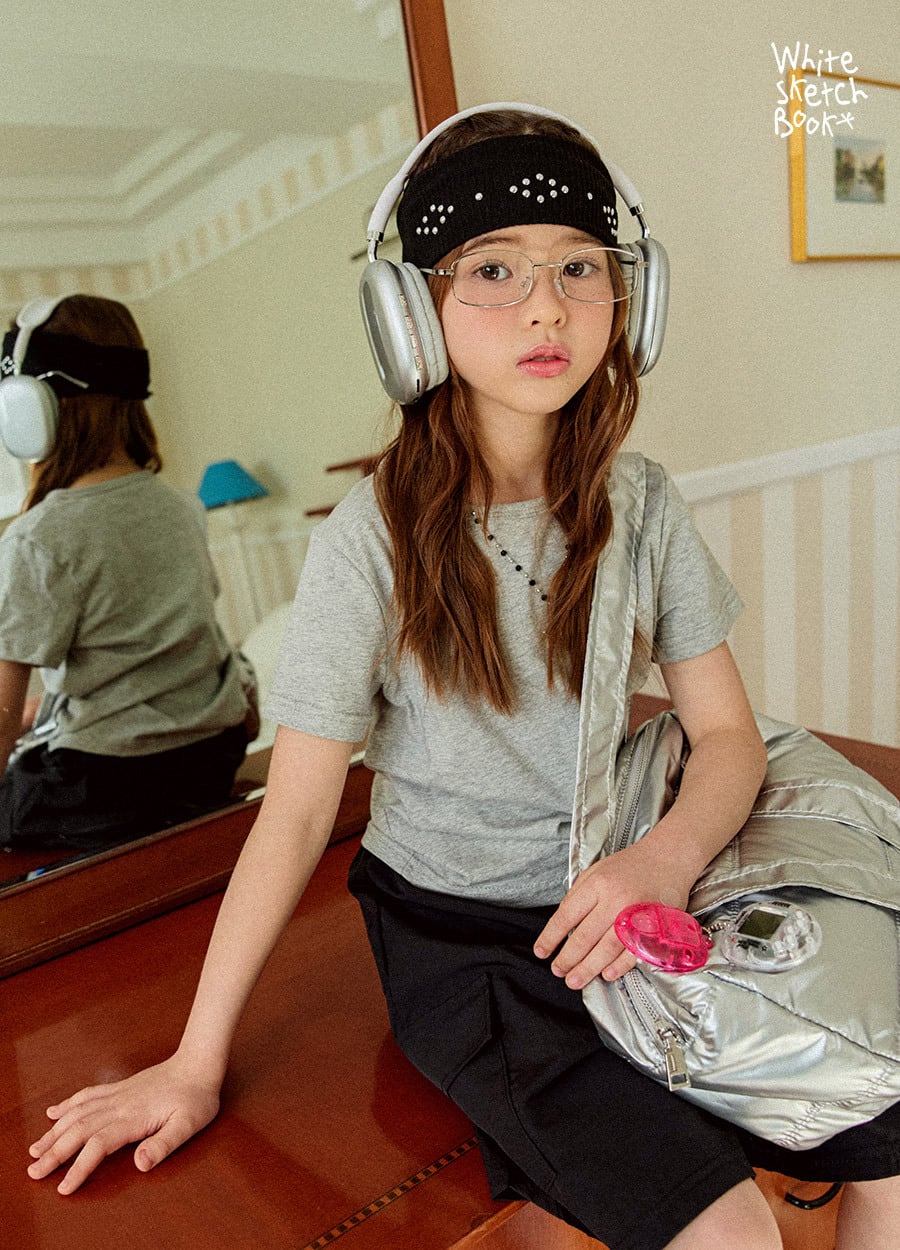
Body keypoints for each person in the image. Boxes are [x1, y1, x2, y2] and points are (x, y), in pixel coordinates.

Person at [24, 110, 900, 1250]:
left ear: (630, 300)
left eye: (579, 267)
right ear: (410, 315)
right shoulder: (370, 540)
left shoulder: (642, 504)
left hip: (630, 882)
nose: (546, 307)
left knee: (889, 1127)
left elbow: (725, 735)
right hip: (467, 939)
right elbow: (295, 815)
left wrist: (662, 860)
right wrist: (194, 1062)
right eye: (493, 269)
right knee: (730, 1232)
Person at [0, 294, 255, 851]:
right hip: (209, 758)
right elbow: (165, 648)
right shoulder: (181, 507)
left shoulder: (38, 537)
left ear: (28, 409)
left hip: (107, 784)